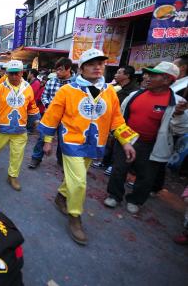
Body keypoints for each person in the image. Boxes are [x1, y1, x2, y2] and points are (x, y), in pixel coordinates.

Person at [39, 48, 138, 245]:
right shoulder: (67, 90)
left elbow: (117, 119)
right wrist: (47, 141)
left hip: (95, 144)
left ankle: (61, 196)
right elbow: (51, 117)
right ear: (81, 68)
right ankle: (75, 216)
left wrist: (126, 141)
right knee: (80, 182)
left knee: (77, 179)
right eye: (92, 64)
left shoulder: (109, 91)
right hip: (71, 142)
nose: (97, 67)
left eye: (101, 64)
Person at [104, 62, 187, 214]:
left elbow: (180, 129)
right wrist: (115, 135)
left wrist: (179, 114)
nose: (146, 77)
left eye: (153, 75)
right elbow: (120, 117)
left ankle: (135, 200)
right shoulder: (135, 95)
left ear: (167, 80)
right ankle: (114, 196)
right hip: (125, 141)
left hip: (152, 146)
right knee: (118, 169)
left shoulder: (177, 103)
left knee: (146, 176)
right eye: (148, 74)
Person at [0, 60, 40, 191]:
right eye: (11, 74)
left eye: (17, 73)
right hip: (2, 128)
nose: (14, 76)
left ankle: (12, 176)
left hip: (20, 129)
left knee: (17, 154)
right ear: (7, 74)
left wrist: (37, 121)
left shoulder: (28, 88)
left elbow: (32, 106)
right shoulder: (0, 88)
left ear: (22, 73)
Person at [29, 58, 73, 169]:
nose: (57, 72)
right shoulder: (51, 81)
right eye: (56, 70)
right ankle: (36, 159)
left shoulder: (75, 84)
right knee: (42, 138)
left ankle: (62, 161)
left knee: (64, 140)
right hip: (50, 116)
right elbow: (44, 96)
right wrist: (50, 106)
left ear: (69, 69)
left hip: (67, 119)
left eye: (60, 70)